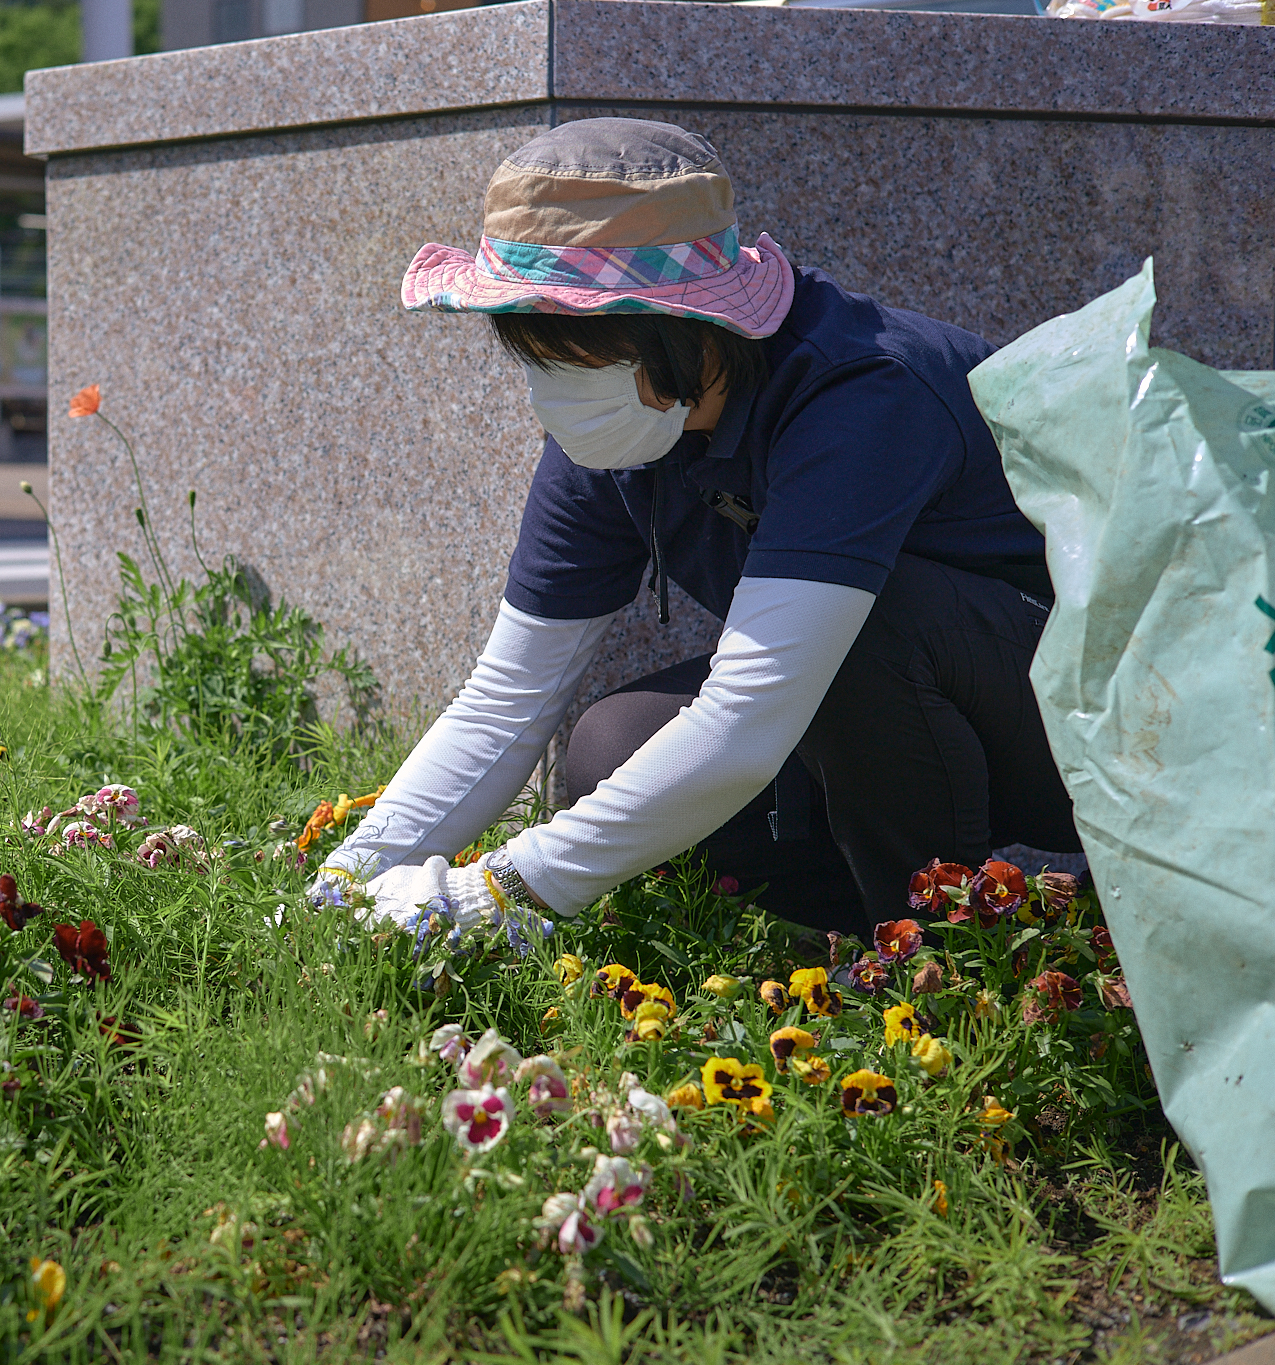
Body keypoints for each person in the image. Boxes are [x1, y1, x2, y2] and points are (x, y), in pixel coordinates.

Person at [315, 117, 1081, 936]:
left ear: (677, 331)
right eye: (534, 358)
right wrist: (345, 881)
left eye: (573, 355)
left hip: (1092, 723)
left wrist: (506, 889)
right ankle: (858, 936)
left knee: (865, 626)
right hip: (908, 727)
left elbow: (748, 718)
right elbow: (507, 699)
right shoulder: (613, 437)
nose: (551, 394)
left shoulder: (856, 394)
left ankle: (941, 968)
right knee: (613, 748)